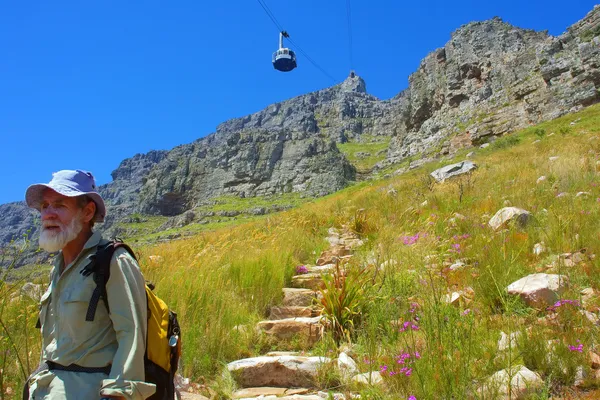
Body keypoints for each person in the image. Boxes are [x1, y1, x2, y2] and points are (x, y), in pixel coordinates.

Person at [24, 170, 155, 400]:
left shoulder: (114, 261)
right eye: (44, 206)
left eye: (60, 205)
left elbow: (131, 336)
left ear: (87, 212)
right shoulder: (58, 268)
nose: (48, 214)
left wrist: (117, 395)